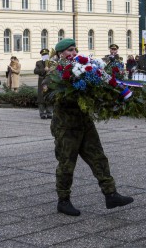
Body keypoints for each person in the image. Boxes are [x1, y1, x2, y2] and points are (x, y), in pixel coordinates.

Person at [49, 38, 134, 216]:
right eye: (68, 51)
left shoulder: (84, 67)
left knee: (99, 158)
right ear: (60, 54)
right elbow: (56, 97)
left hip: (84, 123)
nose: (72, 53)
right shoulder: (54, 73)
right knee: (66, 164)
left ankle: (111, 194)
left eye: (74, 50)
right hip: (66, 127)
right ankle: (63, 201)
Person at [34, 49, 53, 119]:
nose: (45, 56)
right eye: (43, 55)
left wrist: (51, 70)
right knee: (41, 97)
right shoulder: (38, 63)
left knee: (49, 96)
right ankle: (42, 113)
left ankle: (49, 112)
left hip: (49, 81)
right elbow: (35, 71)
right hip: (41, 81)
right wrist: (43, 70)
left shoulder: (52, 62)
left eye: (46, 55)